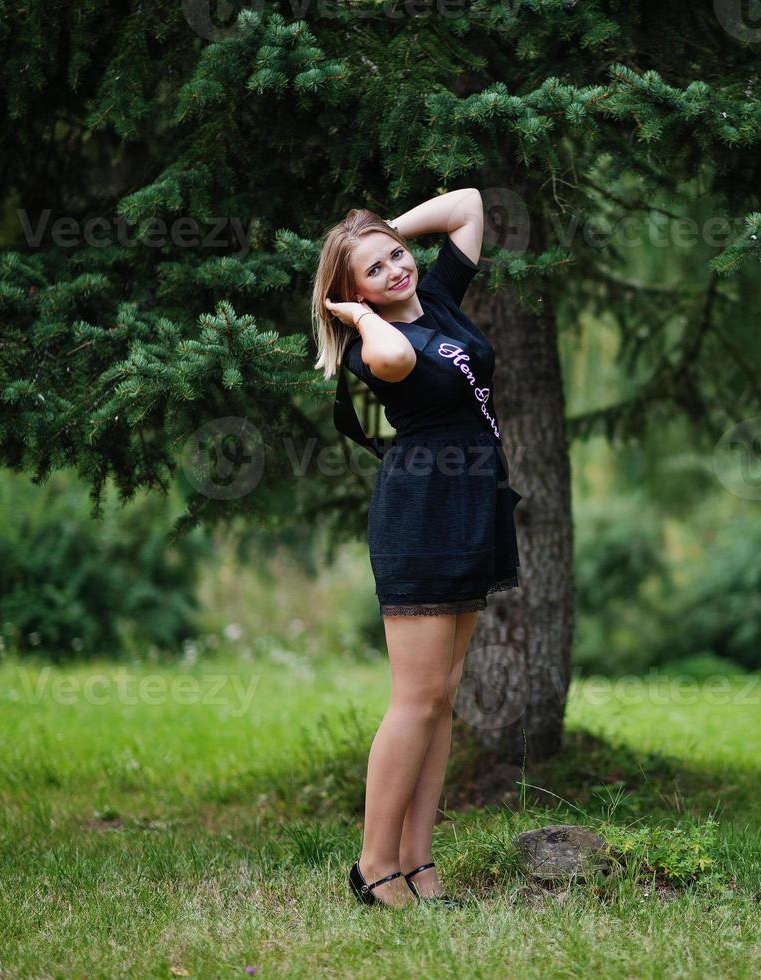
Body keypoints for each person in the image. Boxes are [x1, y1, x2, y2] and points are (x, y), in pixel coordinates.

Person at [310, 188, 523, 909]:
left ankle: (418, 863)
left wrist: (373, 233)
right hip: (423, 509)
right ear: (348, 294)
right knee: (416, 698)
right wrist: (363, 312)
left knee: (441, 700)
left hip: (470, 500)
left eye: (398, 257)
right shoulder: (374, 346)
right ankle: (373, 867)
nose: (398, 269)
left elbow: (466, 205)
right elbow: (400, 359)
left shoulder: (438, 297)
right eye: (375, 269)